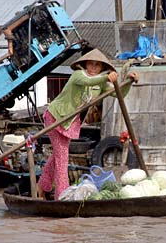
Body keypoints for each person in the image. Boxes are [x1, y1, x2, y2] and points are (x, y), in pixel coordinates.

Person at [37, 48, 139, 200]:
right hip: (56, 116)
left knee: (58, 155)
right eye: (90, 64)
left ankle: (42, 186)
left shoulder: (100, 84)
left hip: (69, 121)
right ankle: (62, 196)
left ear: (101, 68)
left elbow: (120, 94)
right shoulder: (79, 75)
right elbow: (88, 81)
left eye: (97, 65)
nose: (92, 68)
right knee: (62, 157)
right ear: (85, 64)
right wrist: (106, 77)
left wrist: (128, 82)